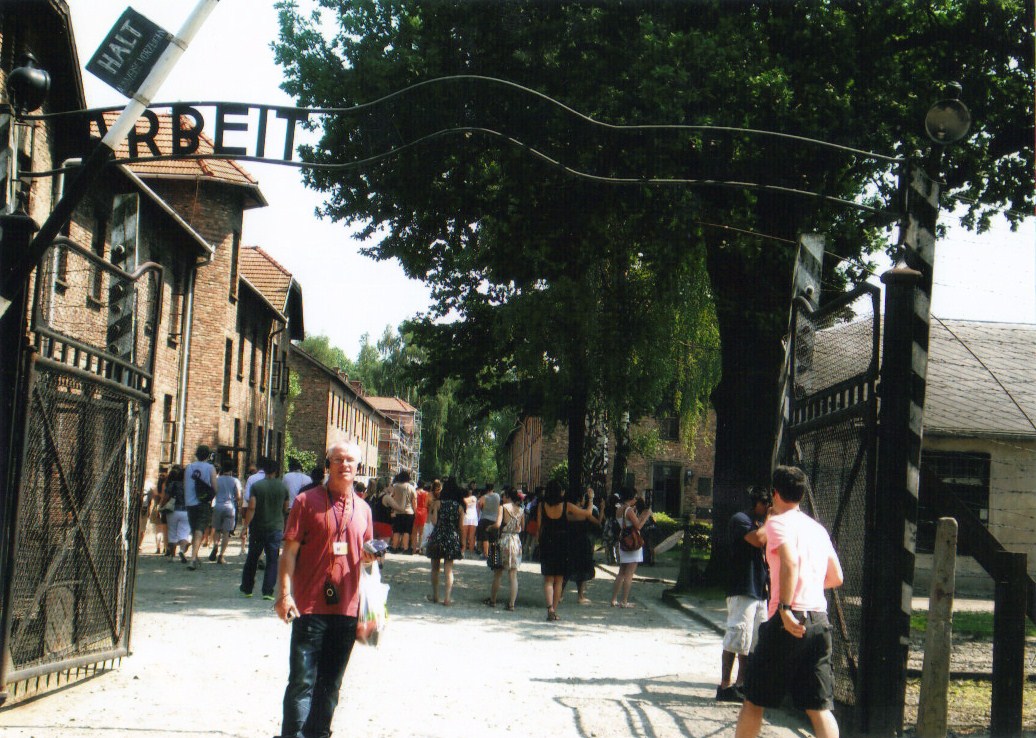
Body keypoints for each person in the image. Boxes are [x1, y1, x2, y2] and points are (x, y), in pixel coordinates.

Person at [274, 441, 376, 738]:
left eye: (350, 461)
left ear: (358, 468)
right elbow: (289, 552)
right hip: (309, 605)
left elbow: (368, 563)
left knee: (331, 684)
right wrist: (283, 594)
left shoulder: (365, 510)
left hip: (347, 609)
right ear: (328, 464)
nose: (345, 465)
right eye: (338, 459)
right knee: (302, 682)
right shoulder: (306, 502)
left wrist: (369, 610)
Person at [735, 466, 844, 738]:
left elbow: (790, 560)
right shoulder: (817, 529)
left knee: (754, 699)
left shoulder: (776, 523)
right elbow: (836, 576)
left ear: (774, 493)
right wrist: (805, 588)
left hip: (788, 620)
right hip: (819, 619)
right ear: (803, 494)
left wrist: (785, 607)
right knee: (819, 707)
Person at [717, 485, 771, 702]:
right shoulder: (740, 520)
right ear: (757, 503)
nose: (768, 509)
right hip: (742, 586)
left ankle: (742, 684)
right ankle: (724, 685)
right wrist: (771, 520)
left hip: (759, 588)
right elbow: (757, 540)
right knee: (736, 637)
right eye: (766, 505)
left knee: (753, 640)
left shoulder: (764, 524)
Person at [537, 479, 594, 622]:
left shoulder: (541, 506)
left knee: (548, 580)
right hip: (562, 543)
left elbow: (540, 527)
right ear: (560, 492)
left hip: (547, 542)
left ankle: (549, 607)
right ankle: (554, 610)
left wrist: (540, 543)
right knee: (559, 580)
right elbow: (587, 513)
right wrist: (591, 499)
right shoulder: (566, 506)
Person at [240, 458, 288, 600]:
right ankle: (268, 591)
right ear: (276, 471)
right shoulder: (282, 487)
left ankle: (247, 588)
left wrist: (245, 526)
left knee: (252, 558)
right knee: (272, 559)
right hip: (276, 528)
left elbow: (252, 507)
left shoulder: (257, 486)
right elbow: (285, 508)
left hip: (258, 527)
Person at [424, 477, 464, 606]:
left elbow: (434, 522)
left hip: (438, 536)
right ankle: (447, 598)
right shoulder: (459, 507)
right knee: (449, 570)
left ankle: (436, 596)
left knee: (435, 568)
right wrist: (463, 543)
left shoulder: (437, 504)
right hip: (452, 537)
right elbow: (461, 527)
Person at [610, 487, 651, 608]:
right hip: (633, 541)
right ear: (631, 498)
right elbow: (638, 526)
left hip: (623, 541)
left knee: (621, 572)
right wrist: (646, 516)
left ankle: (614, 599)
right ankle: (624, 601)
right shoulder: (629, 510)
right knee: (629, 573)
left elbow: (624, 523)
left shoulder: (619, 509)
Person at [485, 487, 524, 610]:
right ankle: (511, 604)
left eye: (503, 496)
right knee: (513, 574)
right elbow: (522, 527)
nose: (502, 498)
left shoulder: (503, 508)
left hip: (504, 540)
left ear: (507, 496)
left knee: (498, 573)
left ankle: (493, 600)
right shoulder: (521, 510)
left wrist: (489, 528)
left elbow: (497, 524)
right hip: (516, 541)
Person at [563, 486, 602, 605]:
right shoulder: (582, 512)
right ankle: (580, 596)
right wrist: (591, 499)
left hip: (568, 541)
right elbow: (594, 519)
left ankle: (560, 594)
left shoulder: (565, 510)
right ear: (579, 499)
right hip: (581, 543)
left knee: (566, 570)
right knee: (581, 570)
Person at [184, 444, 218, 570]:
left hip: (189, 503)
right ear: (208, 455)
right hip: (202, 503)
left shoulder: (189, 467)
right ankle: (193, 558)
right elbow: (214, 487)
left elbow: (185, 484)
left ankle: (195, 555)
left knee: (194, 529)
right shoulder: (210, 468)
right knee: (199, 529)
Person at [209, 462, 242, 564]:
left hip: (218, 506)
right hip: (230, 507)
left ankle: (215, 545)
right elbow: (238, 496)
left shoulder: (217, 480)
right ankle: (221, 556)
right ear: (231, 470)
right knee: (226, 532)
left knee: (217, 530)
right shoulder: (235, 481)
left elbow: (213, 492)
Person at [160, 465, 190, 562]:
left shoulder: (172, 484)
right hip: (186, 511)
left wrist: (161, 506)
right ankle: (181, 550)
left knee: (172, 533)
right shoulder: (189, 486)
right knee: (184, 533)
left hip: (173, 510)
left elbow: (166, 497)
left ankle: (172, 556)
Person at [384, 470, 416, 554]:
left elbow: (391, 497)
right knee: (407, 531)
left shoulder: (395, 486)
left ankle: (394, 547)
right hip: (409, 512)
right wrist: (415, 511)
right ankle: (405, 548)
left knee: (396, 530)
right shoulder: (411, 487)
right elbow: (414, 501)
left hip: (397, 512)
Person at [476, 482, 501, 559]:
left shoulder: (483, 497)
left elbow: (479, 507)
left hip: (484, 519)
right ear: (493, 488)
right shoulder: (497, 496)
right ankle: (493, 555)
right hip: (494, 519)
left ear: (486, 488)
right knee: (493, 538)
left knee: (485, 537)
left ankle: (486, 554)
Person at [411, 480, 429, 554]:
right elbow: (427, 504)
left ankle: (414, 549)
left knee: (414, 533)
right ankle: (420, 548)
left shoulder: (415, 492)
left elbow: (413, 502)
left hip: (416, 510)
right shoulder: (426, 493)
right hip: (424, 511)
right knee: (421, 533)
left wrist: (415, 511)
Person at [461, 483, 479, 556]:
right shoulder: (473, 498)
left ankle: (467, 551)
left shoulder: (470, 498)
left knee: (468, 536)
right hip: (470, 517)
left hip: (469, 517)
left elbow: (465, 501)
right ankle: (466, 551)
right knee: (467, 536)